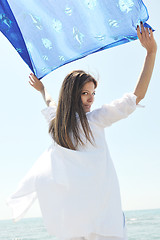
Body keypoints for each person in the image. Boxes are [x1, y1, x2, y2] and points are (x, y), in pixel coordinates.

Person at [7, 23, 157, 240]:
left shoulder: (62, 122)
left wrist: (42, 89)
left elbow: (50, 100)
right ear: (72, 93)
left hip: (77, 216)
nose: (91, 98)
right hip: (101, 216)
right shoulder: (86, 121)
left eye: (93, 93)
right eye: (85, 92)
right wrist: (151, 52)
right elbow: (137, 95)